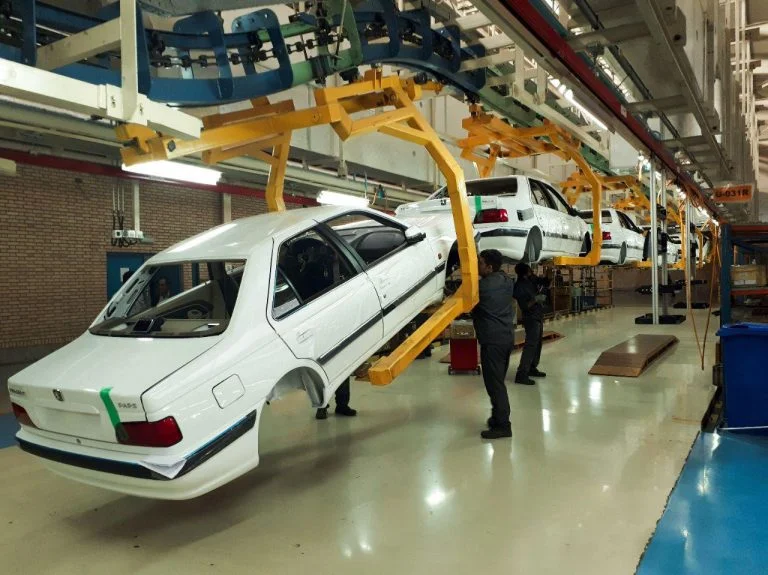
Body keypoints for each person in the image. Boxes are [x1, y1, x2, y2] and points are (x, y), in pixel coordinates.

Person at [472, 249, 516, 440]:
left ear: (489, 267)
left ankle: (503, 426)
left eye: (480, 263)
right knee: (498, 381)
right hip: (506, 338)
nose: (477, 266)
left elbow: (464, 300)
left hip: (492, 341)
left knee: (495, 384)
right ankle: (497, 418)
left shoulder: (482, 288)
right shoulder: (507, 280)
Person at [513, 263, 546, 385]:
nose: (532, 272)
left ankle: (532, 367)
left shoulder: (530, 281)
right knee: (530, 345)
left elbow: (544, 281)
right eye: (530, 270)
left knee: (537, 344)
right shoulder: (519, 287)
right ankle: (521, 374)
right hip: (531, 318)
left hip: (538, 316)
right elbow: (525, 306)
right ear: (526, 272)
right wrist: (535, 299)